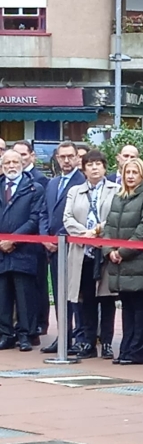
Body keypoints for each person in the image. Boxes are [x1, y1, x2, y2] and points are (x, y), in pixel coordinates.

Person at [102, 158, 143, 365]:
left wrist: (123, 251)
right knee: (126, 306)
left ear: (142, 174)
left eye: (135, 172)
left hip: (139, 260)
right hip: (119, 261)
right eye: (128, 172)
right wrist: (109, 250)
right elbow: (108, 226)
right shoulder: (119, 197)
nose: (130, 176)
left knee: (138, 305)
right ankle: (126, 349)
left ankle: (138, 351)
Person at [63, 150, 120, 359]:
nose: (94, 168)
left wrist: (96, 232)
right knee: (85, 298)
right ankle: (87, 341)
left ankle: (106, 342)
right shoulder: (75, 191)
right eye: (90, 164)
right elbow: (67, 218)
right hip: (82, 251)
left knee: (106, 299)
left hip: (105, 251)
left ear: (105, 167)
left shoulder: (116, 190)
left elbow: (116, 216)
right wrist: (84, 234)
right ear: (84, 168)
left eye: (98, 164)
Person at [40, 142, 86, 354]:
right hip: (52, 248)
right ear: (56, 158)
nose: (66, 161)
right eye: (62, 157)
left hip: (74, 247)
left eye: (70, 156)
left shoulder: (82, 182)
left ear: (77, 158)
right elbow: (43, 213)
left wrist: (63, 238)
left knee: (76, 295)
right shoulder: (52, 183)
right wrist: (45, 238)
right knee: (59, 295)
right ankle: (63, 336)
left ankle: (80, 337)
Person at [0, 150, 45, 351]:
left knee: (25, 297)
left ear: (22, 163)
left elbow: (34, 219)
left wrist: (13, 240)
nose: (11, 166)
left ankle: (25, 334)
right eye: (7, 162)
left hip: (24, 251)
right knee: (2, 297)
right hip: (1, 252)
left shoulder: (34, 188)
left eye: (15, 162)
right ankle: (5, 334)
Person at [13, 140, 49, 341]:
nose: (19, 160)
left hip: (31, 245)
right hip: (9, 248)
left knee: (35, 289)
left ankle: (36, 326)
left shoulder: (39, 181)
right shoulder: (6, 181)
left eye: (23, 155)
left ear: (32, 156)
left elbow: (37, 215)